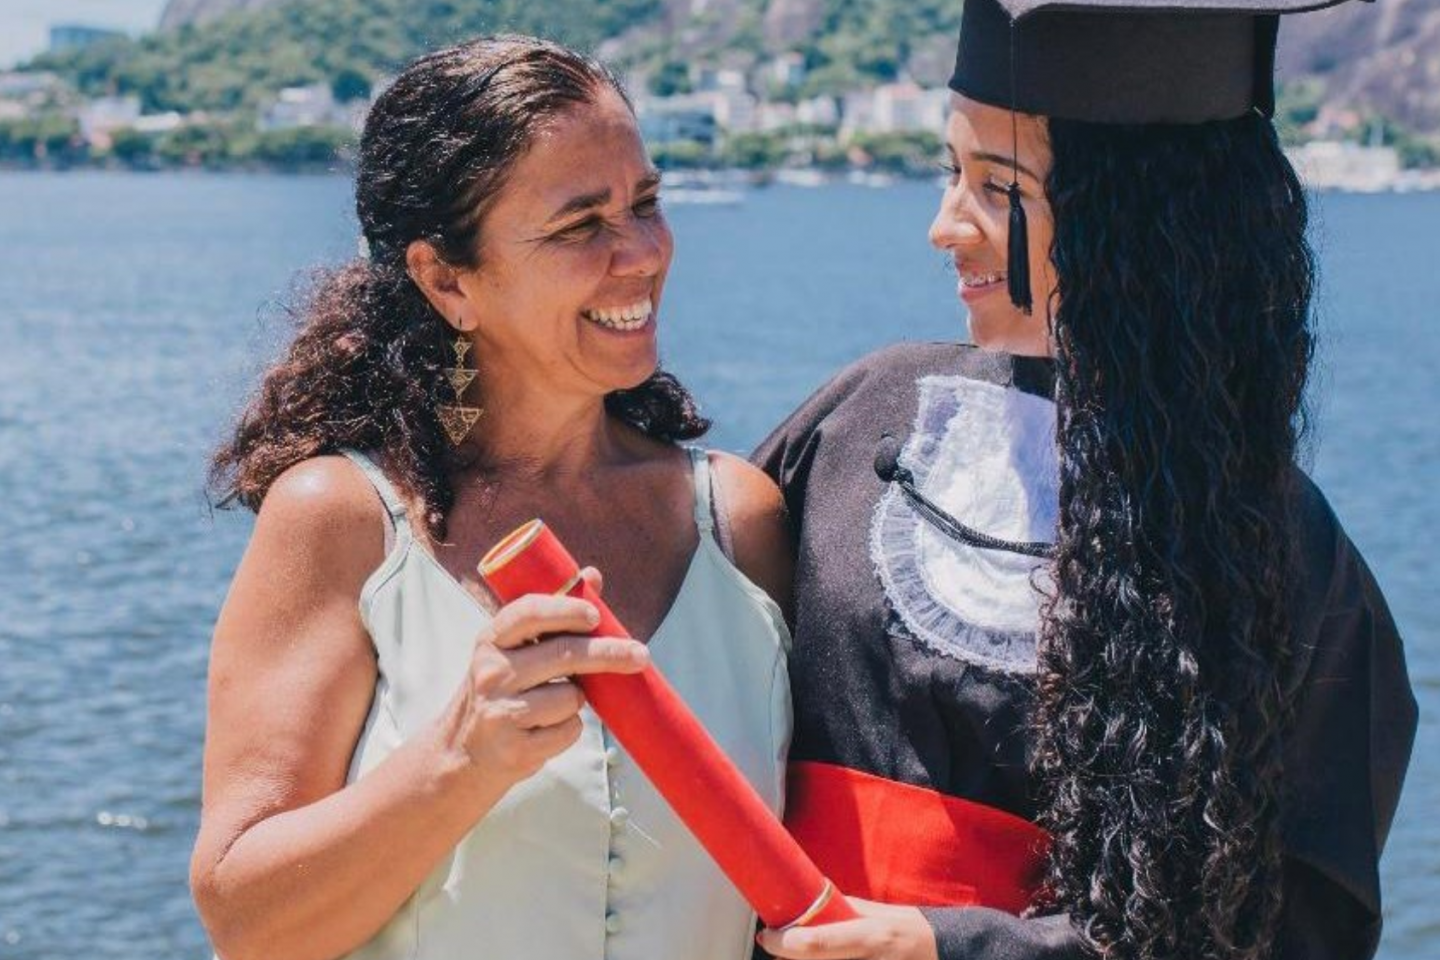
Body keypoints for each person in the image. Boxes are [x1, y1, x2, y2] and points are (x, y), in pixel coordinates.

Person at [753, 1, 1417, 959]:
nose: (945, 225)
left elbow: (1298, 926)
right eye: (952, 173)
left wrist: (953, 948)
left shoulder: (1284, 553)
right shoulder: (865, 415)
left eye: (997, 184)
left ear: (1136, 217)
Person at [191, 35, 793, 960]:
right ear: (446, 280)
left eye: (645, 202)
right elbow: (243, 922)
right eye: (579, 224)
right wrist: (458, 761)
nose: (639, 252)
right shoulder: (341, 520)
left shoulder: (738, 521)